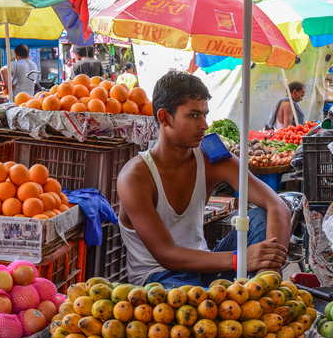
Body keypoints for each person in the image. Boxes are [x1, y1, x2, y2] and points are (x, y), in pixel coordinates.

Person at [118, 71, 290, 288]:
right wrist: (241, 259)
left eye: (204, 115)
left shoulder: (212, 158)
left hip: (203, 269)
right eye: (193, 115)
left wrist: (268, 274)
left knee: (260, 218)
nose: (204, 125)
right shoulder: (135, 177)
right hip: (159, 278)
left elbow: (278, 206)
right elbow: (165, 254)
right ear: (164, 117)